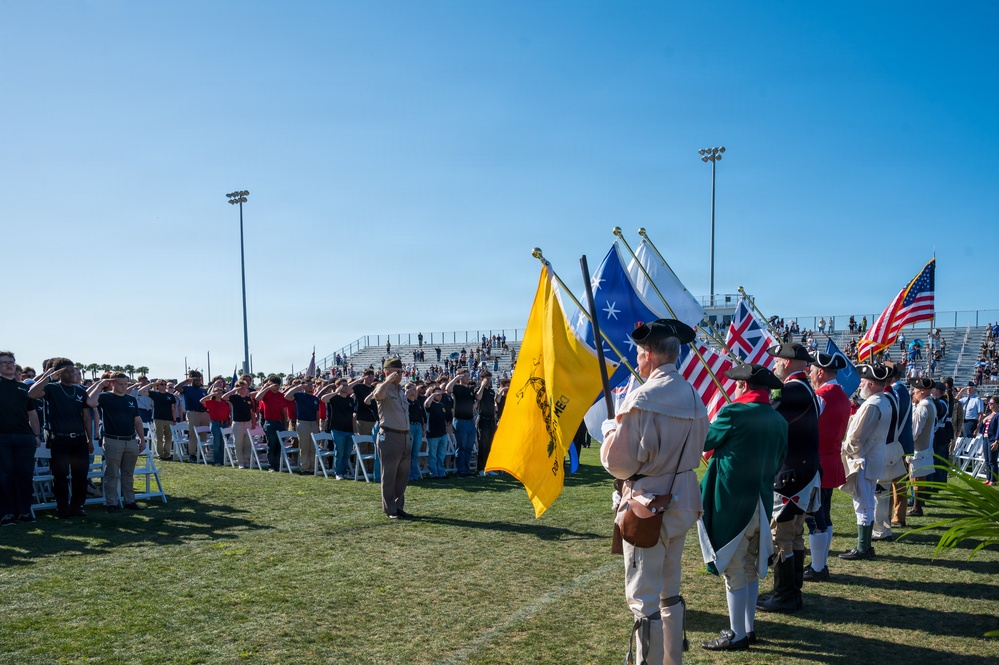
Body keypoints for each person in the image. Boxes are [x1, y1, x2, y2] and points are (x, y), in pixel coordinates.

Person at [601, 319, 707, 665]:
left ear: (647, 354)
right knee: (669, 588)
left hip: (648, 500)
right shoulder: (693, 395)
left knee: (644, 597)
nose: (638, 358)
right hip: (683, 499)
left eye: (638, 352)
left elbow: (619, 464)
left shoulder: (643, 396)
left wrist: (609, 433)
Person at [698, 364, 787, 652]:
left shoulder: (732, 413)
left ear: (745, 386)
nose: (734, 388)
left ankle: (737, 634)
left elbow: (705, 440)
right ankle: (748, 629)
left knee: (734, 568)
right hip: (762, 498)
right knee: (749, 566)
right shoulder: (778, 419)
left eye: (738, 384)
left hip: (733, 500)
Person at [758, 343, 821, 613]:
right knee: (793, 535)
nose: (774, 365)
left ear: (787, 362)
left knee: (782, 536)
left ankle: (785, 595)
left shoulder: (792, 390)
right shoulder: (804, 388)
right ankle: (791, 593)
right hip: (803, 471)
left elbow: (766, 420)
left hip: (792, 474)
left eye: (777, 361)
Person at [803, 353, 851, 581]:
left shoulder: (821, 396)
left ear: (820, 372)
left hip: (818, 461)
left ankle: (819, 567)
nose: (810, 374)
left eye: (812, 370)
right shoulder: (841, 395)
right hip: (830, 459)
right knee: (825, 515)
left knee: (815, 518)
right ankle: (819, 564)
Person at [838, 363, 891, 560]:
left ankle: (863, 547)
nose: (860, 385)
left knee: (863, 503)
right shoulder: (883, 401)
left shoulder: (872, 405)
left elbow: (857, 437)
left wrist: (843, 449)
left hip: (864, 459)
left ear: (871, 383)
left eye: (862, 382)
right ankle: (865, 545)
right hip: (873, 458)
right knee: (866, 502)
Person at [28, 359, 94, 518]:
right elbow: (32, 393)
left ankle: (77, 507)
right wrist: (49, 377)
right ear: (58, 373)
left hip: (78, 439)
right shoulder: (51, 388)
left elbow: (86, 418)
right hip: (59, 439)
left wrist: (89, 439)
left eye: (73, 371)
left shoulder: (80, 391)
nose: (71, 374)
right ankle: (62, 508)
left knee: (80, 475)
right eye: (67, 371)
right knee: (60, 476)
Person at [88, 372, 147, 512]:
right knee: (112, 473)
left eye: (126, 384)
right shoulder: (105, 397)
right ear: (112, 383)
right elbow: (91, 402)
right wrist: (100, 385)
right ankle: (111, 503)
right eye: (120, 384)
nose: (124, 386)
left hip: (131, 440)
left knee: (128, 473)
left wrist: (142, 440)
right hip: (112, 440)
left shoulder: (131, 400)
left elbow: (137, 420)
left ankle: (129, 501)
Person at [0, 350, 41, 526]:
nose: (9, 365)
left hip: (25, 438)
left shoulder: (25, 389)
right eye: (4, 362)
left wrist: (37, 435)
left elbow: (32, 414)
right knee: (4, 476)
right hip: (2, 438)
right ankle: (6, 513)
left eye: (11, 362)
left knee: (24, 475)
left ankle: (24, 512)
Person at [372, 357, 412, 519]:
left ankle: (398, 506)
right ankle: (390, 509)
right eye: (396, 372)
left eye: (401, 372)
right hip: (389, 435)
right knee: (389, 474)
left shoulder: (400, 391)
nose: (399, 375)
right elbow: (378, 395)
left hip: (404, 437)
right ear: (387, 372)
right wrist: (387, 380)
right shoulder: (383, 388)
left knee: (402, 475)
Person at [907, 377, 937, 516]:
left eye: (916, 390)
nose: (913, 392)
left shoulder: (923, 407)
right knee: (918, 478)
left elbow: (914, 432)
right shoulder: (929, 404)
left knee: (916, 479)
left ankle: (917, 507)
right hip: (925, 446)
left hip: (919, 448)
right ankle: (917, 505)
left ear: (923, 391)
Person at [286, 379, 320, 474]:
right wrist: (298, 387)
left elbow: (317, 413)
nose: (310, 386)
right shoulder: (299, 395)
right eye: (308, 384)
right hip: (303, 423)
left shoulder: (315, 398)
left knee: (313, 447)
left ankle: (313, 467)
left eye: (311, 384)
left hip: (313, 423)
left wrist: (318, 426)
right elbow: (287, 396)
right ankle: (304, 468)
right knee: (304, 447)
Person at [254, 376, 288, 472]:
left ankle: (277, 465)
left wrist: (285, 425)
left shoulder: (281, 396)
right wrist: (267, 388)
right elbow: (257, 398)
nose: (274, 386)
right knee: (271, 445)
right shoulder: (266, 394)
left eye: (276, 385)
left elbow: (284, 411)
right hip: (270, 423)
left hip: (280, 423)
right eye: (272, 384)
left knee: (279, 445)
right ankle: (271, 466)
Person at [447, 370, 477, 477]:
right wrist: (455, 379)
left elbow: (474, 404)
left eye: (468, 376)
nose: (467, 378)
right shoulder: (457, 388)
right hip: (460, 421)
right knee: (461, 447)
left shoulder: (470, 390)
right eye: (465, 376)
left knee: (468, 448)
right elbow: (448, 389)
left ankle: (466, 470)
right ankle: (461, 471)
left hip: (470, 421)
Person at [176, 371, 209, 461]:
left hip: (204, 413)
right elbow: (177, 388)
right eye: (196, 379)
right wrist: (187, 381)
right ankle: (192, 454)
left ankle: (203, 453)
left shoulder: (203, 390)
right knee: (193, 434)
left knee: (204, 434)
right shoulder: (187, 388)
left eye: (199, 379)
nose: (198, 381)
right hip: (193, 413)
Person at [223, 379, 256, 468]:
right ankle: (240, 462)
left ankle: (247, 461)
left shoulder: (248, 398)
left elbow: (251, 412)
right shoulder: (234, 398)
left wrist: (253, 423)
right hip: (238, 424)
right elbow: (224, 397)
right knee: (238, 443)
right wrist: (234, 390)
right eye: (242, 387)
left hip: (248, 423)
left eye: (245, 387)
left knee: (248, 443)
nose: (244, 389)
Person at [144, 379, 177, 460]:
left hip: (169, 419)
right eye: (161, 384)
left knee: (168, 438)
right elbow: (141, 391)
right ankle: (160, 455)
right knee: (159, 438)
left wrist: (174, 420)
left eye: (164, 384)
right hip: (158, 419)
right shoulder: (155, 394)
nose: (163, 386)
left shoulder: (170, 396)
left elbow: (173, 409)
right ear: (157, 386)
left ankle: (167, 455)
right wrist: (152, 384)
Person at [201, 385, 232, 466]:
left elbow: (229, 412)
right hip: (216, 424)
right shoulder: (211, 402)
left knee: (223, 443)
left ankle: (223, 460)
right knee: (217, 443)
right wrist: (211, 395)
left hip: (225, 423)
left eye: (220, 392)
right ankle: (217, 461)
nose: (219, 393)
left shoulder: (225, 402)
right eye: (217, 392)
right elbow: (201, 401)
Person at [476, 370, 498, 477]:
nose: (489, 380)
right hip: (483, 419)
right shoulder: (479, 389)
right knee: (483, 445)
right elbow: (478, 397)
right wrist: (482, 386)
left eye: (490, 378)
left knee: (490, 445)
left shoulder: (492, 391)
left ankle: (489, 468)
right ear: (482, 378)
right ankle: (480, 468)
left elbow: (494, 404)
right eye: (487, 378)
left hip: (491, 420)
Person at [424, 386, 449, 478]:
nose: (439, 396)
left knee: (441, 455)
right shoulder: (430, 404)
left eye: (440, 394)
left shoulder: (442, 406)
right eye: (437, 394)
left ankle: (441, 472)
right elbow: (426, 404)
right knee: (433, 455)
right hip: (433, 434)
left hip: (442, 434)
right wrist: (433, 394)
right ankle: (433, 473)